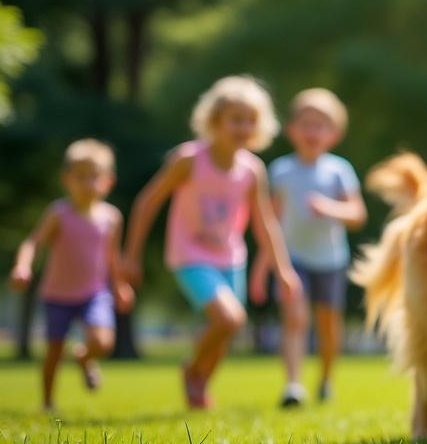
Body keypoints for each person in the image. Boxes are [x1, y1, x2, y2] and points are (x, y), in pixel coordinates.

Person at [122, 76, 302, 409]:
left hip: (231, 257)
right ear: (214, 121)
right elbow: (147, 202)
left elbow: (265, 224)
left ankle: (198, 385)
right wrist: (131, 256)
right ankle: (191, 368)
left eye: (251, 120)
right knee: (230, 319)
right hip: (189, 255)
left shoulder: (252, 170)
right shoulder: (189, 160)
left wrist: (284, 270)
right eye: (235, 119)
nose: (243, 126)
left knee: (225, 333)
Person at [251, 88, 366, 407]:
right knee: (294, 318)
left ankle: (326, 379)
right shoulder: (280, 171)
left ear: (334, 134)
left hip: (331, 260)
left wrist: (330, 208)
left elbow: (357, 214)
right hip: (292, 259)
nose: (312, 131)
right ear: (292, 131)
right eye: (306, 124)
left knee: (328, 328)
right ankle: (293, 385)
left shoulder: (338, 171)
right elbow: (270, 223)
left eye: (321, 125)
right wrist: (262, 269)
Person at [10, 139, 133, 411]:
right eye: (80, 177)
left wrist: (120, 286)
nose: (87, 183)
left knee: (103, 342)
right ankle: (48, 403)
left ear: (107, 182)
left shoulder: (112, 218)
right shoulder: (58, 213)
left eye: (94, 177)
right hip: (57, 293)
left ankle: (84, 357)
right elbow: (32, 243)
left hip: (94, 292)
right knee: (54, 350)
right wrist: (23, 266)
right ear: (67, 180)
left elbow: (112, 257)